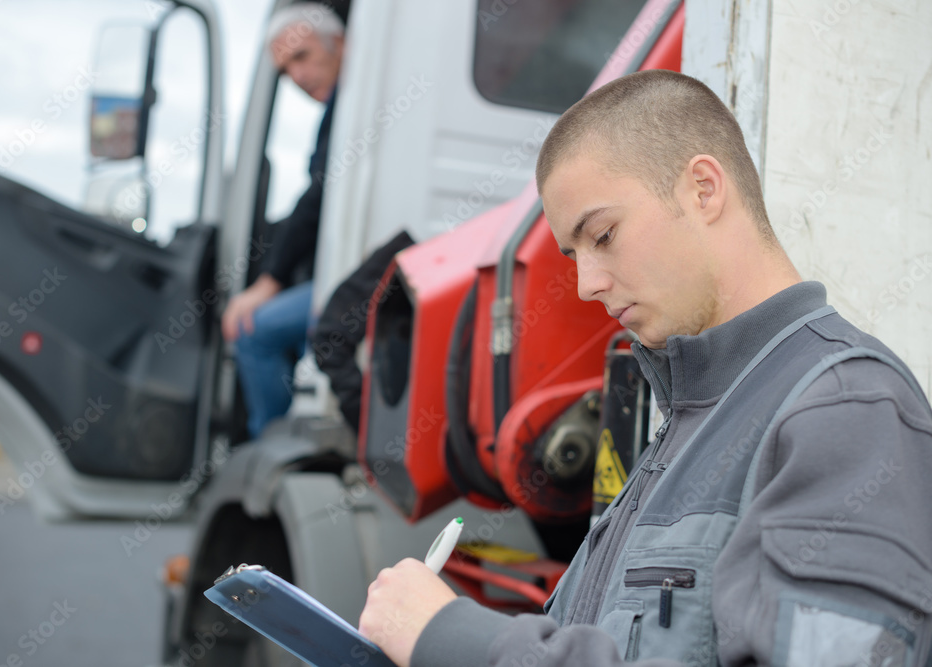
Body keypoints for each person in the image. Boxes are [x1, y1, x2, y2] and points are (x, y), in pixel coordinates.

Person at [358, 70, 932, 666]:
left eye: (603, 235)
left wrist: (459, 641)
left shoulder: (848, 409)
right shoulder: (691, 420)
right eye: (574, 254)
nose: (586, 285)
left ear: (704, 189)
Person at [221, 3, 344, 438]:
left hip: (358, 279)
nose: (296, 76)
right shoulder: (340, 112)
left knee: (253, 330)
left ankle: (267, 446)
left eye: (302, 56)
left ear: (340, 44)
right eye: (285, 68)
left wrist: (267, 283)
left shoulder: (351, 110)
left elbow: (318, 197)